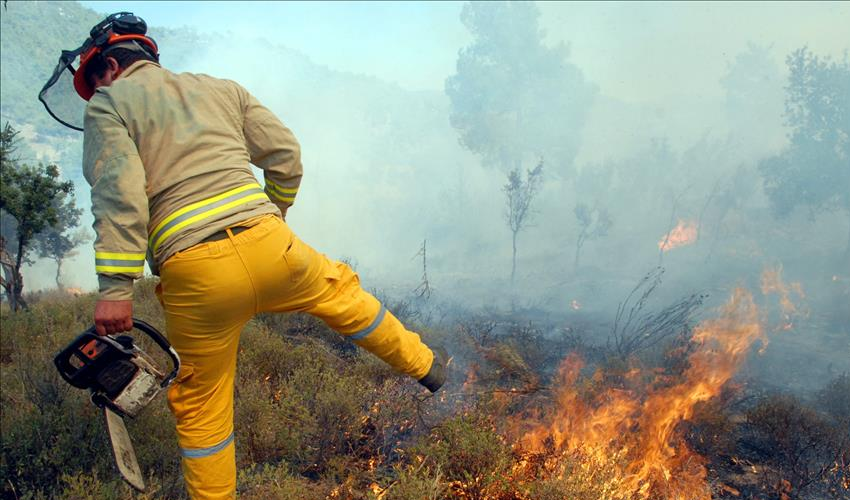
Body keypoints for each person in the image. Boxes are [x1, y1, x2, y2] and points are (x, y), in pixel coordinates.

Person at [64, 13, 446, 500]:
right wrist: (275, 213)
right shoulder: (221, 89)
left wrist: (116, 290)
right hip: (272, 247)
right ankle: (427, 366)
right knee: (344, 295)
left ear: (112, 66)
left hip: (196, 275)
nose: (96, 89)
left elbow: (120, 195)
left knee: (202, 408)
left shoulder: (108, 104)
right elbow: (285, 155)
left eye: (95, 78)